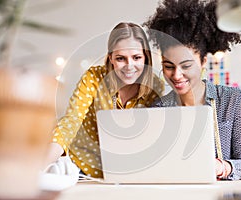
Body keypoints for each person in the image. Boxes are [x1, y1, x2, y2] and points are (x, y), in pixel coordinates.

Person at [144, 0, 241, 180]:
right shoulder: (158, 110)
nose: (176, 75)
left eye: (186, 65)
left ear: (203, 62)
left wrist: (223, 167)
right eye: (168, 66)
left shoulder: (233, 101)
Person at [45, 22, 164, 178]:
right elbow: (71, 122)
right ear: (111, 58)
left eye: (136, 57)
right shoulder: (94, 77)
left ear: (146, 57)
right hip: (80, 168)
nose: (129, 66)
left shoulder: (155, 87)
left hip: (127, 173)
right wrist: (42, 166)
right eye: (121, 58)